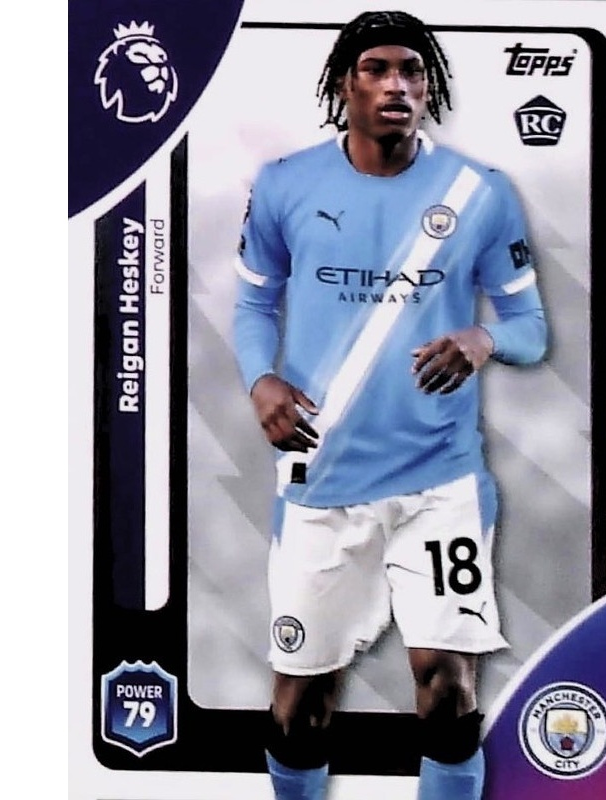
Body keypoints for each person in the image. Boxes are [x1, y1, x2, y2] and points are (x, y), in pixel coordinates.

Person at [232, 10, 547, 800]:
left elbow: (530, 326)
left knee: (449, 692)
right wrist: (261, 380)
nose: (396, 84)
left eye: (412, 70)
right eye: (376, 68)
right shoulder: (285, 184)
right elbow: (253, 304)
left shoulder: (479, 192)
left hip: (440, 482)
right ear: (344, 84)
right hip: (321, 483)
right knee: (301, 709)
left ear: (429, 87)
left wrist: (482, 339)